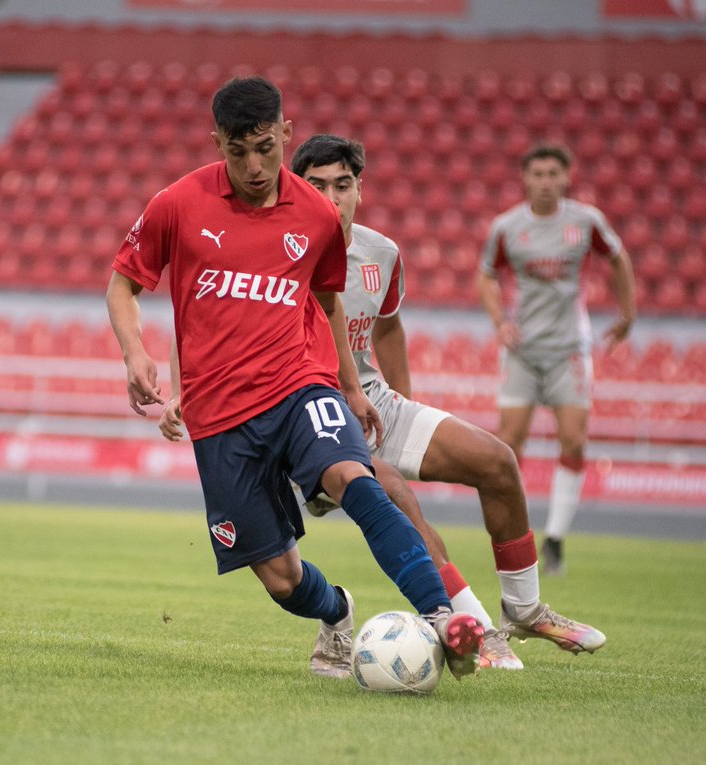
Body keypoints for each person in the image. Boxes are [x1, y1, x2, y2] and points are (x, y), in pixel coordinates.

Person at [106, 76, 484, 681]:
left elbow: (328, 302)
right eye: (238, 152)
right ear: (217, 143)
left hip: (299, 385)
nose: (254, 166)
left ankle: (441, 616)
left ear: (285, 133)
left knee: (355, 479)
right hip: (221, 417)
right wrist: (134, 354)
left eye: (265, 147)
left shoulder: (315, 215)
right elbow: (123, 282)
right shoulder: (177, 204)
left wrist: (352, 387)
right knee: (281, 579)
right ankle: (337, 612)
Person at [476, 145, 637, 576]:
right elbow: (486, 273)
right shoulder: (508, 227)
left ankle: (556, 539)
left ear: (566, 178)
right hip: (523, 350)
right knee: (508, 445)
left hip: (570, 349)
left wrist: (628, 312)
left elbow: (618, 259)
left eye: (553, 173)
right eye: (538, 174)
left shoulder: (585, 222)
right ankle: (517, 536)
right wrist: (499, 321)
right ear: (525, 179)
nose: (546, 181)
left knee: (574, 442)